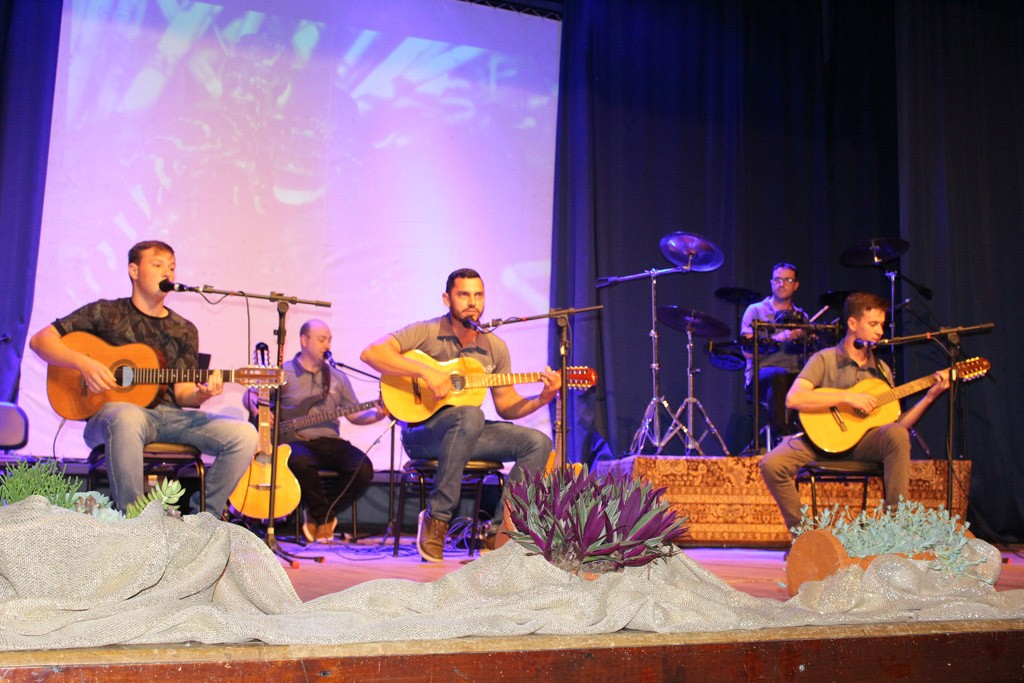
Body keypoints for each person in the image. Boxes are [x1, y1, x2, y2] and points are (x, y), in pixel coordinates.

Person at [29, 240, 258, 515]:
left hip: (169, 417)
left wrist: (202, 393)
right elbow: (40, 340)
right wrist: (84, 364)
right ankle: (135, 521)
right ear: (134, 271)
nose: (167, 273)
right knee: (127, 416)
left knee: (245, 434)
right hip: (110, 416)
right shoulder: (106, 313)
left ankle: (204, 518)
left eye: (171, 267)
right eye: (157, 265)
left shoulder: (184, 329)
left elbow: (184, 393)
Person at [360, 268, 561, 562]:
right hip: (422, 434)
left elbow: (507, 405)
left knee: (538, 442)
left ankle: (501, 532)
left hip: (467, 430)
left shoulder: (494, 347)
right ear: (447, 298)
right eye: (464, 294)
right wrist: (426, 372)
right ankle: (437, 518)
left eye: (478, 295)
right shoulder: (427, 332)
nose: (472, 302)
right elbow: (372, 353)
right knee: (470, 415)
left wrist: (543, 398)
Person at [759, 291, 950, 533]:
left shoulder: (881, 370)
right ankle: (804, 535)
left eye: (882, 325)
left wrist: (930, 396)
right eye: (873, 324)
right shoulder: (825, 359)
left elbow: (898, 427)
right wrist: (848, 397)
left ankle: (896, 528)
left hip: (862, 445)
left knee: (897, 435)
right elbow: (794, 398)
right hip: (818, 441)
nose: (880, 331)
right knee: (771, 464)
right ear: (852, 323)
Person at [244, 319, 387, 543]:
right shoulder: (283, 373)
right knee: (299, 461)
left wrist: (377, 415)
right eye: (322, 339)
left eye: (329, 340)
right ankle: (323, 517)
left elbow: (354, 415)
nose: (327, 345)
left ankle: (320, 514)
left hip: (330, 442)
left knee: (363, 469)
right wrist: (258, 409)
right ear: (304, 340)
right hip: (294, 442)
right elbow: (250, 395)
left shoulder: (338, 377)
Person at [740, 262, 808, 438]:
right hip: (761, 376)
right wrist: (780, 338)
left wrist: (809, 341)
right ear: (771, 283)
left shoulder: (802, 317)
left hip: (794, 375)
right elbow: (747, 351)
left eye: (788, 280)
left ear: (796, 285)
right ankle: (783, 436)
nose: (782, 284)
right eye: (777, 279)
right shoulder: (755, 311)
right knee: (778, 374)